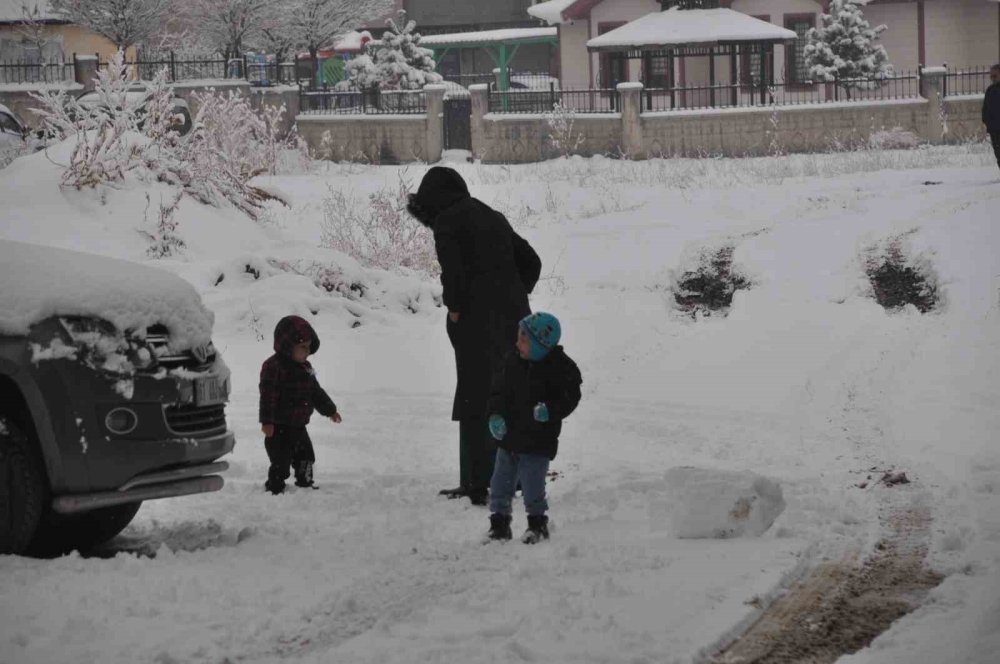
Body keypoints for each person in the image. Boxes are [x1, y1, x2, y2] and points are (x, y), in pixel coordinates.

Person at [407, 167, 542, 506]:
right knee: (509, 394)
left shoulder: (447, 221)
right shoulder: (491, 215)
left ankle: (477, 482)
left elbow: (453, 273)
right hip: (514, 320)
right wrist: (512, 294)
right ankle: (516, 477)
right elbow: (532, 261)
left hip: (475, 324)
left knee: (474, 398)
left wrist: (454, 308)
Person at [485, 312, 582, 544]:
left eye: (524, 339)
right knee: (500, 481)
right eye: (519, 336)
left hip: (538, 440)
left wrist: (550, 410)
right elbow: (497, 392)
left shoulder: (561, 368)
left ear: (541, 345)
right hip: (509, 437)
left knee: (532, 484)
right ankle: (499, 524)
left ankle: (537, 525)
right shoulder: (512, 360)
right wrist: (495, 415)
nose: (517, 342)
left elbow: (570, 396)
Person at [259, 315, 342, 494]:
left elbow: (316, 392)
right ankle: (275, 486)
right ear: (288, 346)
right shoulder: (273, 367)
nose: (307, 352)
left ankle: (305, 481)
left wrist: (330, 410)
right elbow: (268, 396)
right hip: (278, 427)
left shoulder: (305, 368)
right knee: (281, 460)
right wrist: (267, 421)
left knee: (306, 456)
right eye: (302, 347)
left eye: (308, 347)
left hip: (298, 425)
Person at [984, 64, 1000, 173]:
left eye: (995, 76)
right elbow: (985, 108)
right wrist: (986, 121)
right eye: (991, 77)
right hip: (994, 129)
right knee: (998, 152)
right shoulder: (990, 90)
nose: (993, 79)